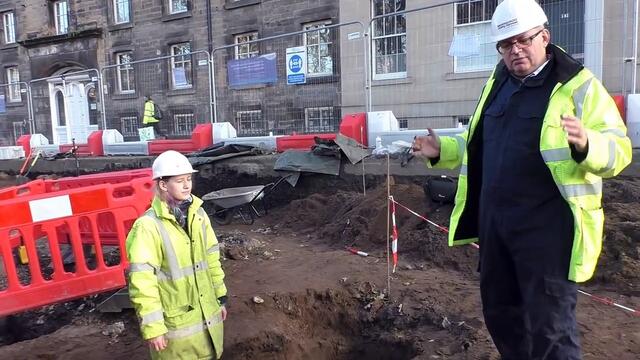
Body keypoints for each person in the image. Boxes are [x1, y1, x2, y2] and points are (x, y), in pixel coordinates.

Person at [412, 0, 632, 359]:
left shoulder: (579, 87)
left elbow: (619, 150)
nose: (515, 50)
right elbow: (483, 145)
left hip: (548, 232)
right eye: (505, 45)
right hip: (497, 226)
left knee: (551, 329)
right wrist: (442, 150)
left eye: (523, 40)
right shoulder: (498, 84)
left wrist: (588, 143)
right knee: (500, 315)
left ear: (544, 36)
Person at [126, 150, 228, 359]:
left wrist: (220, 297)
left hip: (207, 317)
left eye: (189, 179)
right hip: (176, 329)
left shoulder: (198, 214)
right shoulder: (148, 226)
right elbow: (142, 281)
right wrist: (153, 327)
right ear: (163, 185)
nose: (186, 185)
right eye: (180, 180)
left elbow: (211, 260)